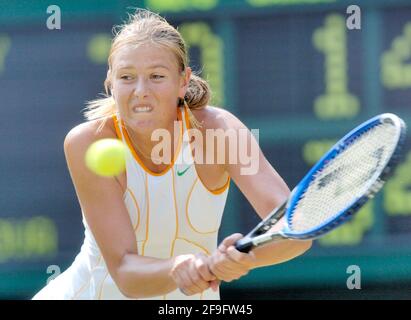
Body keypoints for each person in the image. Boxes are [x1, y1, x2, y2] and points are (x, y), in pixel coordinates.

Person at [32, 9, 311, 300]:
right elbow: (126, 273)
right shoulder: (87, 141)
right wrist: (181, 266)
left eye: (156, 76)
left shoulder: (220, 131)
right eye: (127, 77)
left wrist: (246, 258)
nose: (140, 90)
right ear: (110, 83)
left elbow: (294, 227)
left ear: (183, 81)